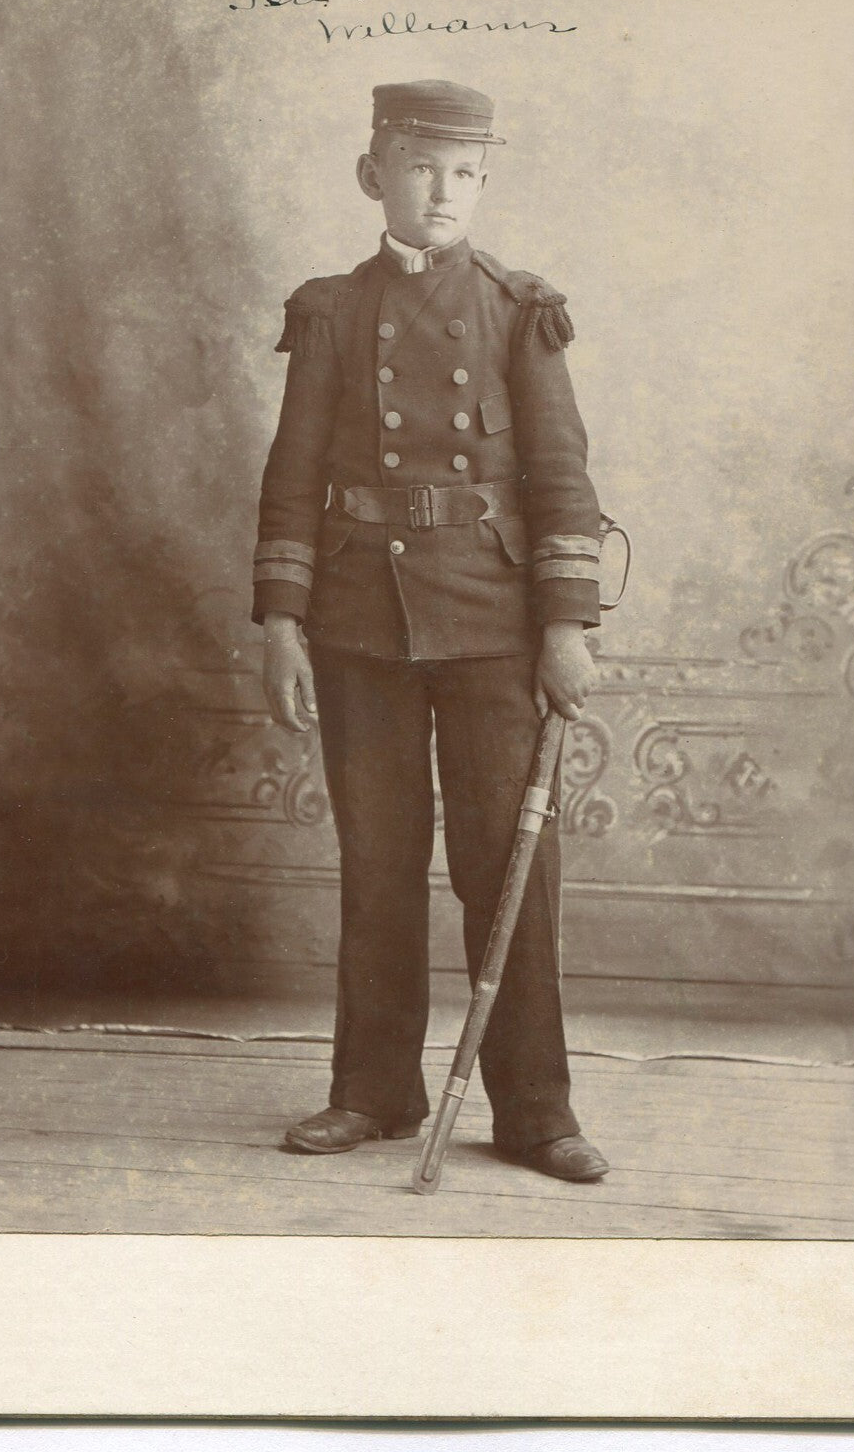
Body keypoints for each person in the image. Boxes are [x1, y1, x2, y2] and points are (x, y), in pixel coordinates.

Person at [252, 79, 609, 1182]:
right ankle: (370, 1091)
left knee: (508, 866)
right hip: (361, 623)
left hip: (497, 629)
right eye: (418, 166)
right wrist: (278, 619)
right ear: (375, 176)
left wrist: (565, 628)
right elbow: (291, 477)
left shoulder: (517, 309)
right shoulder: (329, 311)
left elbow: (560, 480)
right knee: (378, 858)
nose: (441, 189)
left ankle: (536, 1108)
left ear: (483, 179)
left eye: (462, 170)